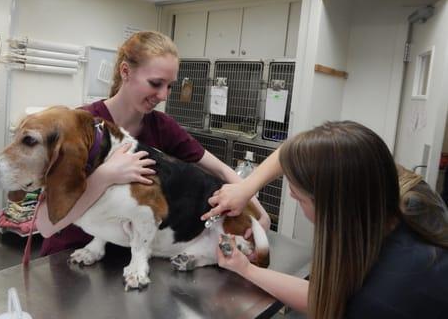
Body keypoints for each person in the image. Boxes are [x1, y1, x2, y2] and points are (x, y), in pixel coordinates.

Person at [39, 30, 270, 256]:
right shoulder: (80, 127)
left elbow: (219, 169)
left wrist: (259, 216)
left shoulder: (161, 127)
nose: (163, 96)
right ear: (126, 71)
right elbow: (46, 225)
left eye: (169, 86)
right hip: (68, 256)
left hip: (126, 258)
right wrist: (106, 176)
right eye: (155, 83)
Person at [203, 121, 448, 319]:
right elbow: (327, 297)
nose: (290, 194)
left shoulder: (382, 299)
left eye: (299, 198)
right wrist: (247, 187)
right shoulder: (391, 195)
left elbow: (334, 305)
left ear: (333, 208)